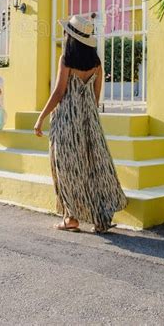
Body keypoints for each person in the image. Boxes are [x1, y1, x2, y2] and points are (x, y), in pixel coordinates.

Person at [34, 14, 127, 233]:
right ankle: (100, 218)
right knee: (94, 167)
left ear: (71, 36)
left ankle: (71, 218)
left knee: (66, 168)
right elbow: (96, 96)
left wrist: (41, 118)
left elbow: (59, 92)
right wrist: (89, 116)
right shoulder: (96, 63)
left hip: (67, 119)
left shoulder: (66, 59)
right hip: (90, 121)